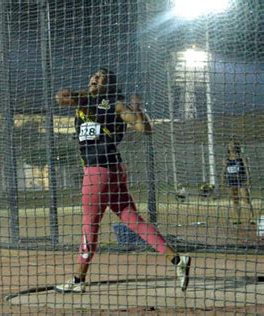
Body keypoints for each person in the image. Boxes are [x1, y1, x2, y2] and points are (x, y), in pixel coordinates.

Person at [54, 68, 191, 293]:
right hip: (114, 171)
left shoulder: (115, 105)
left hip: (97, 171)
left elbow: (145, 128)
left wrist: (137, 111)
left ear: (109, 85)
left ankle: (78, 281)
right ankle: (177, 260)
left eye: (101, 78)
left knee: (89, 225)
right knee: (133, 219)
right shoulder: (85, 103)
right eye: (94, 76)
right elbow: (61, 97)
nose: (95, 79)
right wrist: (86, 95)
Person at [221, 140, 255, 225]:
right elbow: (224, 170)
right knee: (235, 200)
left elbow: (246, 168)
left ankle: (252, 217)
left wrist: (248, 179)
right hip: (231, 181)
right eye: (229, 144)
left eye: (232, 144)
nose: (231, 146)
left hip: (241, 180)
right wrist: (222, 180)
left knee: (246, 198)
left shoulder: (241, 157)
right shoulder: (226, 159)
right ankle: (238, 218)